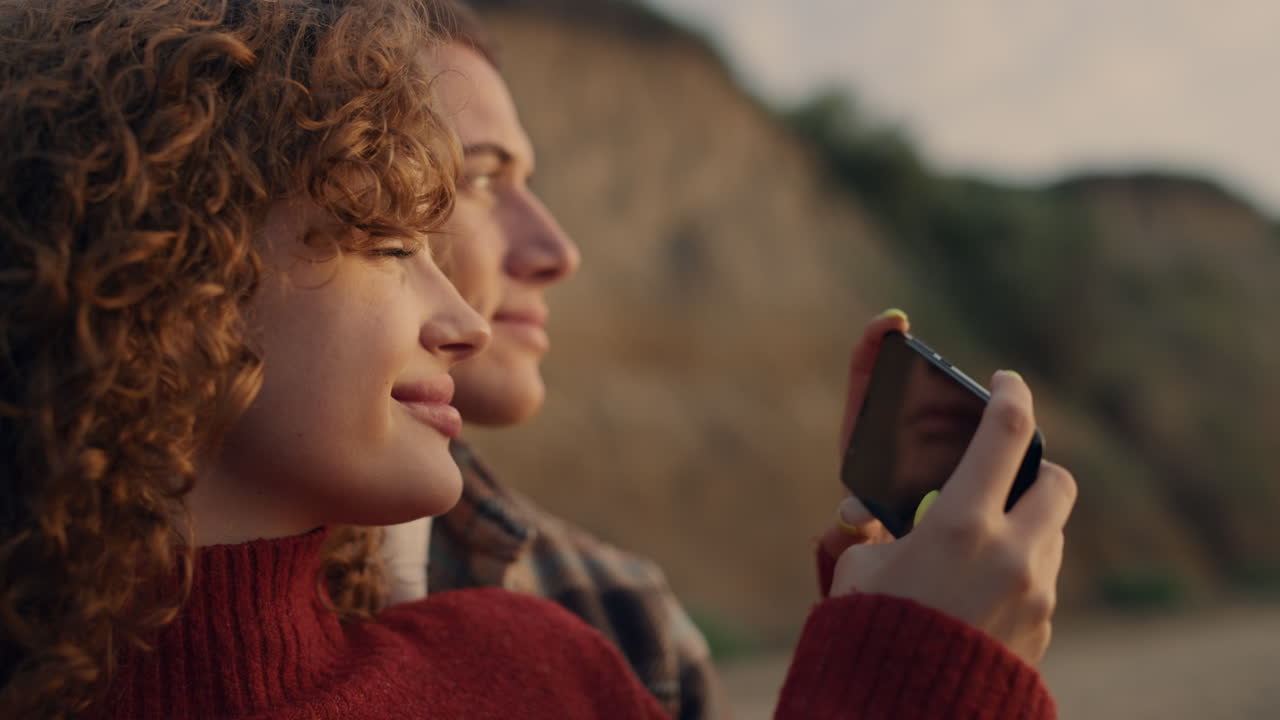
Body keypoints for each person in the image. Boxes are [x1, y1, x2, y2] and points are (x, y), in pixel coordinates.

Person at [0, 1, 1075, 719]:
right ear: (155, 259)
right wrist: (902, 679)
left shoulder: (546, 657)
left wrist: (887, 648)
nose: (466, 316)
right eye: (388, 238)